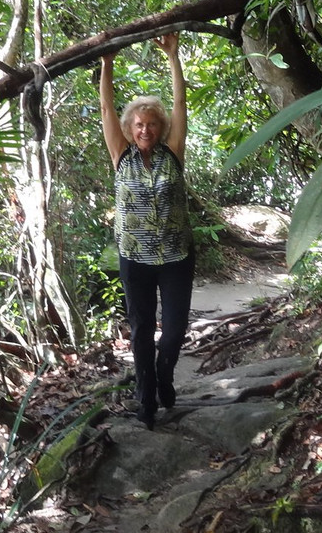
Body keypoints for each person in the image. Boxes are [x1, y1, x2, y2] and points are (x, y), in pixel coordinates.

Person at [100, 33, 194, 430]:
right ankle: (146, 395)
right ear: (129, 127)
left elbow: (179, 103)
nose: (145, 130)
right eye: (139, 124)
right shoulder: (121, 157)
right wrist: (106, 63)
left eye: (151, 124)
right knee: (140, 329)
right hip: (134, 257)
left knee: (172, 331)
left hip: (175, 256)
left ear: (161, 128)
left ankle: (164, 372)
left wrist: (173, 57)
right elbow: (105, 106)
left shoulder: (173, 151)